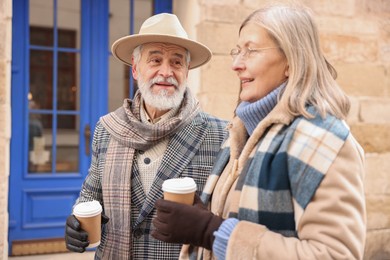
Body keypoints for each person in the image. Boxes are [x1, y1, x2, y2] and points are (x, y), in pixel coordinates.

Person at [152, 3, 366, 259]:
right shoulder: (241, 132)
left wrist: (212, 231)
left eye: (251, 51)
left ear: (291, 60)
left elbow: (334, 254)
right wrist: (206, 218)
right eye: (237, 51)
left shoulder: (323, 140)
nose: (236, 65)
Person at [64, 13, 227, 259]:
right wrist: (76, 221)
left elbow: (227, 216)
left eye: (176, 62)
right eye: (155, 60)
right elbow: (90, 195)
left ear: (187, 71)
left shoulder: (220, 134)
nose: (166, 72)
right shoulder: (107, 128)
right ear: (135, 69)